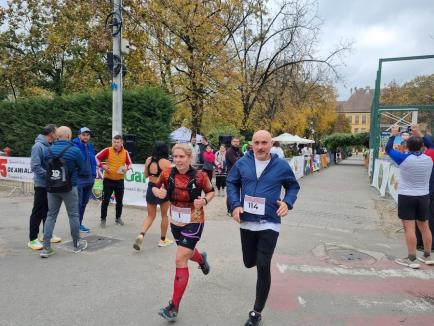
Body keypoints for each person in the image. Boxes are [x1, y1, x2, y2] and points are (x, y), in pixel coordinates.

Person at [227, 130, 300, 326]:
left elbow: (293, 187)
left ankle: (256, 312)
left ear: (271, 144)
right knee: (249, 261)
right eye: (257, 143)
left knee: (263, 265)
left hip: (270, 222)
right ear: (251, 144)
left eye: (264, 143)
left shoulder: (281, 165)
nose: (260, 147)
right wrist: (234, 205)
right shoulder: (242, 163)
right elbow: (231, 183)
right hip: (247, 221)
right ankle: (253, 262)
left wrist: (287, 202)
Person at [152, 143, 215, 322]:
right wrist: (157, 191)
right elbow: (156, 188)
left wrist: (204, 200)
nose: (178, 160)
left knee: (180, 258)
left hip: (194, 221)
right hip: (176, 221)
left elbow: (211, 192)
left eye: (182, 157)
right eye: (175, 156)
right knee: (186, 253)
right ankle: (202, 260)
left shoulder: (200, 176)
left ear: (189, 158)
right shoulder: (166, 173)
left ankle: (174, 306)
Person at [385, 125, 433, 268]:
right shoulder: (429, 157)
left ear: (407, 146)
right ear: (422, 146)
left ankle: (411, 258)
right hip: (424, 196)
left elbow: (388, 149)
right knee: (425, 226)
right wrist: (419, 134)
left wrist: (393, 134)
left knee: (409, 228)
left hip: (407, 196)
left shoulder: (404, 159)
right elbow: (432, 145)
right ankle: (427, 255)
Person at [40, 126, 87, 258]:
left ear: (58, 136)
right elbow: (82, 168)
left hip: (52, 187)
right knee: (73, 215)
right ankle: (76, 244)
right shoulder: (75, 151)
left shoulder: (48, 150)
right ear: (68, 136)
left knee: (50, 216)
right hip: (69, 187)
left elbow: (45, 165)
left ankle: (46, 248)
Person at [133, 141, 174, 250]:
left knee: (150, 215)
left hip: (151, 188)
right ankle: (163, 239)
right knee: (164, 215)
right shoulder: (166, 163)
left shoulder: (148, 160)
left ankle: (141, 234)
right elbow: (171, 179)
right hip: (162, 190)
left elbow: (145, 175)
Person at [28, 124, 61, 250]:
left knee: (48, 210)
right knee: (37, 210)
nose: (58, 134)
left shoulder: (51, 145)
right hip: (41, 184)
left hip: (50, 183)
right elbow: (35, 167)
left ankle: (47, 234)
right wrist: (49, 175)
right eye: (56, 131)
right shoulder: (38, 146)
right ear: (51, 133)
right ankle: (32, 239)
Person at [95, 135, 131, 228]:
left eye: (117, 142)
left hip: (119, 181)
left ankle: (118, 218)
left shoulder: (125, 152)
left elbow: (129, 163)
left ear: (121, 142)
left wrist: (125, 169)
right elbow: (96, 157)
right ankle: (103, 219)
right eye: (114, 142)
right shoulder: (107, 150)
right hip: (108, 180)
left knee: (119, 201)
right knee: (105, 201)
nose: (115, 144)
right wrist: (102, 166)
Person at [72, 127, 96, 233]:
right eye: (84, 134)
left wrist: (94, 175)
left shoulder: (90, 146)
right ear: (79, 135)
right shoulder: (74, 145)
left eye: (88, 135)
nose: (86, 136)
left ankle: (79, 224)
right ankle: (75, 226)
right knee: (78, 203)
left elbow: (93, 162)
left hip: (89, 179)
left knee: (84, 202)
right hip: (79, 180)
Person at [225, 136, 243, 214]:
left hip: (240, 175)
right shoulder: (229, 151)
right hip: (231, 175)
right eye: (234, 141)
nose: (236, 143)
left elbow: (244, 160)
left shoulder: (239, 151)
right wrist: (241, 161)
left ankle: (236, 207)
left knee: (238, 193)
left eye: (237, 142)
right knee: (231, 193)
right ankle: (229, 210)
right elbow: (236, 163)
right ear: (232, 142)